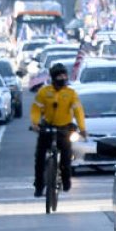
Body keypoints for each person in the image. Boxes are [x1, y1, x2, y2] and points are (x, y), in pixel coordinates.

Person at [29, 61, 86, 197]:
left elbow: (78, 111)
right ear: (53, 78)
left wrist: (82, 128)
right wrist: (35, 123)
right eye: (59, 76)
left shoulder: (71, 93)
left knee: (66, 157)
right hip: (47, 128)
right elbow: (36, 109)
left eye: (64, 76)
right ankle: (39, 186)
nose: (63, 78)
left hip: (64, 128)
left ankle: (66, 180)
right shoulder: (44, 92)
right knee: (40, 158)